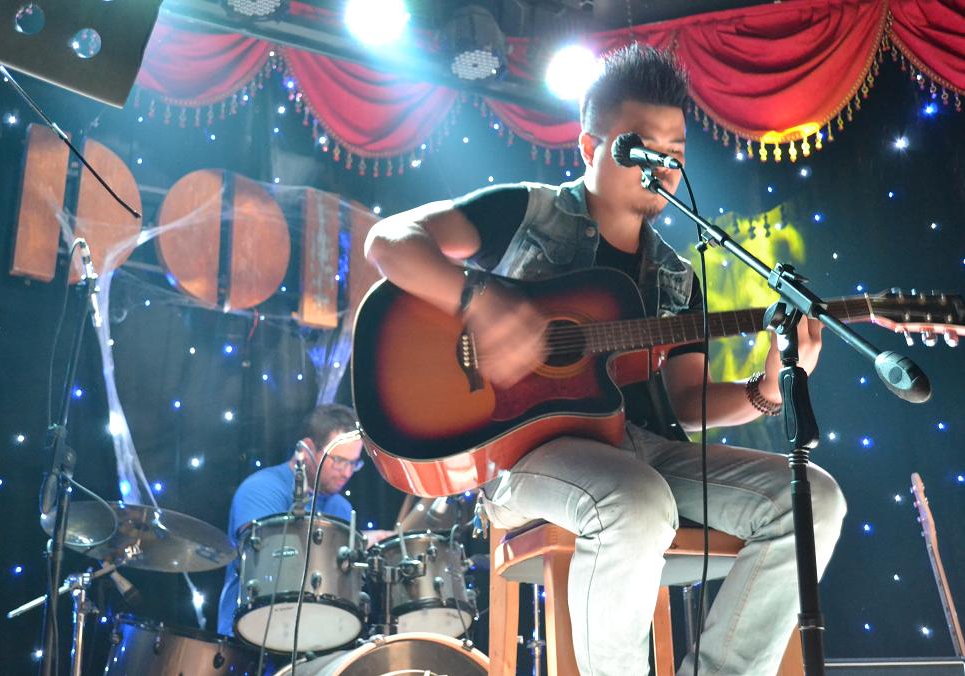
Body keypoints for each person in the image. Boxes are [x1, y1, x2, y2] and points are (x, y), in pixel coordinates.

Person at [364, 43, 847, 676]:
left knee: (814, 499)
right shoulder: (527, 210)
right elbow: (389, 241)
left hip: (643, 452)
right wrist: (479, 301)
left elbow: (688, 404)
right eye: (641, 148)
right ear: (589, 147)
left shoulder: (677, 275)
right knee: (637, 501)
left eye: (674, 152)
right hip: (521, 455)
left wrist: (769, 389)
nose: (663, 166)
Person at [216, 403, 373, 637]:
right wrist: (360, 542)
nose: (347, 472)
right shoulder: (262, 488)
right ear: (307, 448)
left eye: (354, 463)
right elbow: (273, 559)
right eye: (339, 460)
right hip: (252, 634)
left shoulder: (341, 508)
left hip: (317, 636)